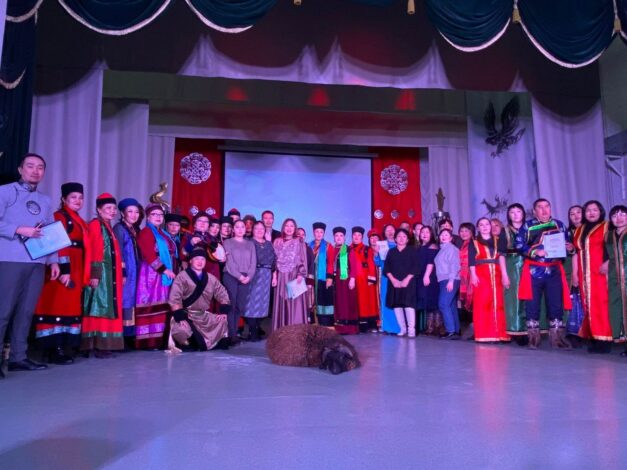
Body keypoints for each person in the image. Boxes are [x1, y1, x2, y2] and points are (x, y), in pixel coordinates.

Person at [0, 154, 59, 375]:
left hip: (37, 262)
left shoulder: (45, 200)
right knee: (3, 310)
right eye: (30, 166)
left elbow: (50, 231)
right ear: (20, 169)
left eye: (40, 167)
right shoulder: (5, 192)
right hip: (10, 258)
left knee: (26, 311)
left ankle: (19, 357)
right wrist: (19, 229)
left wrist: (53, 260)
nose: (35, 171)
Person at [33, 182, 87, 365]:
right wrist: (65, 270)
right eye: (73, 197)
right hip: (63, 269)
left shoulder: (77, 218)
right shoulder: (60, 216)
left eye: (80, 198)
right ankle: (53, 349)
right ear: (64, 199)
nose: (78, 201)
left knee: (69, 306)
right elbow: (58, 243)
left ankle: (64, 346)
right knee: (57, 306)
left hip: (76, 266)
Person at [516, 198, 573, 350]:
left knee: (556, 304)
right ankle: (533, 339)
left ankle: (557, 338)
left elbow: (569, 244)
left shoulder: (559, 225)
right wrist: (534, 251)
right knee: (532, 304)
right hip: (534, 270)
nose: (544, 210)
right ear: (534, 211)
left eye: (547, 206)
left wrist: (570, 247)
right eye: (540, 207)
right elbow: (519, 244)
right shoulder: (527, 226)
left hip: (554, 270)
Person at [81, 193, 124, 357]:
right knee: (98, 306)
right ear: (99, 209)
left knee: (105, 306)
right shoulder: (95, 225)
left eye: (114, 208)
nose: (112, 211)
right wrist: (95, 274)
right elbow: (95, 250)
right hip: (102, 274)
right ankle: (96, 344)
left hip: (111, 274)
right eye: (108, 208)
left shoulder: (107, 226)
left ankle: (104, 344)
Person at [167, 248, 231, 352]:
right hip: (186, 315)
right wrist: (180, 318)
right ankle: (193, 344)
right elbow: (174, 298)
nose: (200, 262)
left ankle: (205, 343)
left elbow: (222, 293)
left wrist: (224, 312)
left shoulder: (211, 278)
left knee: (222, 321)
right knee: (181, 329)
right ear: (190, 261)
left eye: (202, 259)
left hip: (202, 315)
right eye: (196, 259)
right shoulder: (182, 277)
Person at [135, 203, 177, 349]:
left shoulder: (162, 233)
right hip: (152, 274)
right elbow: (148, 254)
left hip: (163, 273)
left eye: (160, 214)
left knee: (163, 305)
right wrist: (164, 270)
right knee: (152, 304)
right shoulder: (146, 232)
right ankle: (149, 341)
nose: (158, 217)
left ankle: (161, 340)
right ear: (147, 217)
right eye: (154, 214)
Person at [572, 200, 612, 353]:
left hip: (601, 272)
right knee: (588, 305)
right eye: (588, 210)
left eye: (595, 210)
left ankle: (605, 339)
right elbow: (577, 252)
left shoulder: (607, 226)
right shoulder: (579, 229)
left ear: (601, 211)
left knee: (601, 304)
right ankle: (594, 337)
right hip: (584, 274)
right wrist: (575, 274)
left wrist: (608, 262)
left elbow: (612, 247)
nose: (591, 213)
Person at [469, 218, 510, 343]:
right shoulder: (474, 242)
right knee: (483, 303)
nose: (485, 227)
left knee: (499, 303)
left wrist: (504, 275)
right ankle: (485, 335)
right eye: (481, 225)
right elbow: (471, 260)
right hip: (481, 274)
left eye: (487, 224)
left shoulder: (499, 240)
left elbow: (502, 257)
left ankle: (501, 334)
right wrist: (473, 275)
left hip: (497, 273)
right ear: (478, 228)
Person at [222, 219, 256, 344]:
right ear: (233, 229)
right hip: (231, 275)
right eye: (237, 227)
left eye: (242, 227)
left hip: (246, 277)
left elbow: (253, 262)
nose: (240, 229)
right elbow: (229, 262)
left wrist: (249, 276)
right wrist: (239, 276)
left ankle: (234, 331)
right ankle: (231, 335)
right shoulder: (228, 242)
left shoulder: (250, 244)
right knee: (231, 305)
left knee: (240, 306)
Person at [113, 198, 142, 344]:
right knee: (125, 299)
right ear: (122, 213)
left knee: (132, 300)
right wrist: (122, 272)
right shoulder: (119, 228)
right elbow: (117, 252)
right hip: (126, 271)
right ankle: (122, 335)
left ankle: (130, 335)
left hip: (135, 271)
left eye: (136, 212)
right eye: (130, 211)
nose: (134, 215)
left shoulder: (135, 230)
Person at [272, 218, 308, 329]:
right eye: (286, 225)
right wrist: (274, 276)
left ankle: (295, 332)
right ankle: (281, 331)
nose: (289, 228)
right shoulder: (277, 241)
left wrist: (301, 274)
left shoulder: (299, 241)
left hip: (294, 276)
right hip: (281, 277)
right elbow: (274, 260)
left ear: (295, 228)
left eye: (292, 226)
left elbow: (303, 259)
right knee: (282, 303)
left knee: (294, 305)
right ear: (283, 227)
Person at [243, 221, 276, 341]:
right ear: (253, 230)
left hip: (266, 276)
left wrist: (274, 276)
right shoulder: (248, 242)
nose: (259, 230)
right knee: (251, 304)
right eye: (256, 228)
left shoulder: (269, 244)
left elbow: (274, 260)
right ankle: (252, 332)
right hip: (253, 274)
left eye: (262, 228)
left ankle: (256, 328)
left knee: (263, 305)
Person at [383, 228, 418, 337]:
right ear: (395, 239)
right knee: (397, 305)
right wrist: (393, 280)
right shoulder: (391, 251)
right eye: (399, 236)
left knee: (408, 305)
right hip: (394, 283)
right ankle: (402, 329)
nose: (401, 238)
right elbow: (387, 268)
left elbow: (416, 267)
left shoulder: (412, 251)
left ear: (407, 239)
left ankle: (411, 330)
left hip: (409, 283)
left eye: (404, 236)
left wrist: (406, 280)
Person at [605, 205, 627, 352]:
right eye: (614, 216)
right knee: (616, 307)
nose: (618, 218)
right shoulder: (608, 236)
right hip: (614, 277)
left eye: (622, 214)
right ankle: (622, 339)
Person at [503, 203, 527, 342]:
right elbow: (501, 254)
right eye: (512, 212)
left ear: (523, 213)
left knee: (531, 297)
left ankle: (533, 328)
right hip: (512, 265)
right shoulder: (505, 231)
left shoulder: (530, 228)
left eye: (518, 211)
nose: (516, 214)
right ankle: (518, 330)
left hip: (530, 264)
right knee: (515, 297)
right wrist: (504, 274)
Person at [329, 226, 359, 334]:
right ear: (333, 237)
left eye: (341, 236)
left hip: (346, 279)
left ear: (344, 238)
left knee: (347, 302)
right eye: (336, 236)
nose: (338, 238)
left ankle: (349, 328)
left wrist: (352, 279)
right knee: (338, 302)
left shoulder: (348, 249)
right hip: (336, 280)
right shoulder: (331, 249)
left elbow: (354, 265)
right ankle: (340, 327)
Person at [349, 226, 379, 333]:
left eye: (359, 235)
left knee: (368, 303)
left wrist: (371, 278)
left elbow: (371, 263)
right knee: (356, 302)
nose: (356, 237)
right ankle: (359, 325)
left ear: (362, 237)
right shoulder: (348, 249)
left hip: (365, 279)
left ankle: (371, 324)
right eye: (354, 235)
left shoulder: (367, 249)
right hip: (353, 278)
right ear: (352, 236)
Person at [434, 229, 461, 339]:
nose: (443, 236)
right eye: (441, 235)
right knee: (451, 305)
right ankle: (456, 330)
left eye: (446, 235)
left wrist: (451, 280)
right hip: (443, 280)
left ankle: (451, 330)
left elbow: (455, 265)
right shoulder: (442, 249)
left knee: (443, 304)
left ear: (451, 238)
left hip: (450, 279)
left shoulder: (452, 249)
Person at [374, 224, 400, 334]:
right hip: (386, 276)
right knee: (386, 300)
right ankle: (387, 327)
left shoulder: (400, 244)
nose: (390, 232)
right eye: (387, 230)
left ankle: (399, 327)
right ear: (384, 233)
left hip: (399, 276)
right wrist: (376, 253)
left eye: (392, 230)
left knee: (397, 300)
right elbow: (378, 263)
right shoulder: (381, 245)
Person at [309, 222, 335, 327]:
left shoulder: (328, 246)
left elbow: (331, 263)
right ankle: (312, 321)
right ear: (313, 232)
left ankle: (325, 322)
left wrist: (329, 278)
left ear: (324, 233)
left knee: (324, 298)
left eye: (321, 232)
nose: (319, 234)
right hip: (311, 276)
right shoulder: (309, 245)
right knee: (311, 297)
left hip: (323, 277)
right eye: (317, 232)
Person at [416, 226, 440, 336]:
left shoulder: (433, 246)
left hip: (430, 276)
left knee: (433, 301)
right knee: (427, 302)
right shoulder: (420, 247)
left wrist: (427, 275)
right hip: (421, 276)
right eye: (422, 232)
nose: (424, 234)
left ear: (431, 235)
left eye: (427, 232)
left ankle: (437, 326)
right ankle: (430, 327)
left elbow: (431, 262)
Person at [297, 227, 316, 321]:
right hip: (293, 279)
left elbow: (311, 266)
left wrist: (310, 283)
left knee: (306, 301)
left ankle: (306, 319)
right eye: (298, 234)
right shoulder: (291, 247)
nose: (300, 236)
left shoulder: (308, 249)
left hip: (305, 280)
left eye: (303, 234)